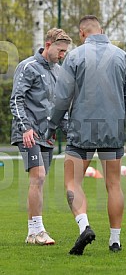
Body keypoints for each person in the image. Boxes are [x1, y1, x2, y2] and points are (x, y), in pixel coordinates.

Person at [46, 15, 126, 255]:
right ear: (102, 30)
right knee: (114, 184)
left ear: (81, 33)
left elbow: (61, 98)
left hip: (82, 129)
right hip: (113, 129)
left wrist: (51, 128)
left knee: (73, 181)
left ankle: (84, 226)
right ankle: (115, 241)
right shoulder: (123, 58)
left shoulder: (74, 57)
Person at [10, 28, 72, 245]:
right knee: (38, 177)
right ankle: (38, 231)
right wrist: (25, 128)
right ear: (48, 45)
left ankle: (32, 233)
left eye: (65, 51)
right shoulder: (27, 67)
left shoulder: (59, 72)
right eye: (61, 50)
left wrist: (71, 131)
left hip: (47, 136)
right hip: (28, 133)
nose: (63, 55)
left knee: (39, 180)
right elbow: (16, 100)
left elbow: (59, 108)